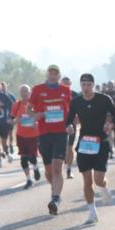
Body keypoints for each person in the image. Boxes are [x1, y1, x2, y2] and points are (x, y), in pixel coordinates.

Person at [66, 73, 115, 224]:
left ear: (93, 85)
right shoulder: (76, 102)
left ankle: (103, 188)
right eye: (83, 85)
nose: (86, 88)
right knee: (87, 180)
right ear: (80, 85)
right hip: (84, 143)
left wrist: (110, 124)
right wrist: (68, 127)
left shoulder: (104, 99)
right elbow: (68, 120)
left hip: (101, 142)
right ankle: (92, 212)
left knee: (98, 180)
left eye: (89, 85)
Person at [29, 64, 72, 215]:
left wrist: (70, 124)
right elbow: (29, 109)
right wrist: (35, 115)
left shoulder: (65, 90)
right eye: (50, 73)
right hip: (44, 133)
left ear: (59, 76)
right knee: (48, 171)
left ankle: (55, 199)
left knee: (57, 167)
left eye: (55, 73)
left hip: (61, 133)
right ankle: (55, 188)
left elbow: (71, 110)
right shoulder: (37, 90)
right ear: (47, 74)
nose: (53, 76)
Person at [10, 84, 42, 188]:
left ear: (30, 93)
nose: (24, 93)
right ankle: (29, 179)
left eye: (26, 91)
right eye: (22, 91)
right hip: (21, 135)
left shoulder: (35, 104)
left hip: (33, 135)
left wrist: (36, 122)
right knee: (23, 158)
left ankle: (35, 167)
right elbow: (11, 119)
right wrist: (15, 121)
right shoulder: (16, 105)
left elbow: (41, 117)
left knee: (31, 157)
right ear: (20, 93)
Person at [0, 80, 16, 163]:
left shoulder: (5, 96)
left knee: (4, 143)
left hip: (4, 123)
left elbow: (12, 106)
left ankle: (7, 153)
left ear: (1, 87)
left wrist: (10, 117)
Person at [61, 77, 77, 178]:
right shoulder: (57, 93)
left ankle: (69, 170)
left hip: (71, 123)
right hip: (59, 123)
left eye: (67, 83)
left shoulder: (74, 94)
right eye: (64, 83)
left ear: (70, 83)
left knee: (70, 147)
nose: (66, 85)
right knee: (62, 147)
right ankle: (63, 159)